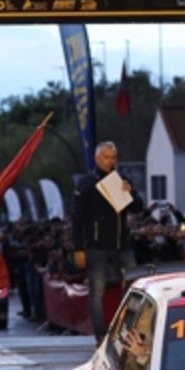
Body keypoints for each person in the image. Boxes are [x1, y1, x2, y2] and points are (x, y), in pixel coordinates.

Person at [71, 141, 144, 343]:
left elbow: (138, 208)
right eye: (106, 157)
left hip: (122, 244)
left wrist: (131, 192)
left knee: (134, 287)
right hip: (97, 246)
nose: (110, 161)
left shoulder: (122, 179)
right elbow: (77, 217)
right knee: (97, 292)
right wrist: (78, 247)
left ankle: (128, 331)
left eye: (113, 157)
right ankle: (101, 335)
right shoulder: (87, 183)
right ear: (97, 159)